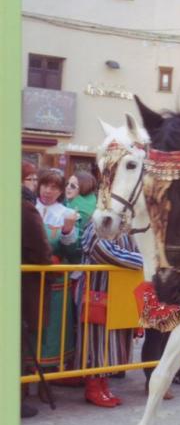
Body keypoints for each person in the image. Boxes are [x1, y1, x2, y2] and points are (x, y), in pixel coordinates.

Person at [74, 219, 143, 407]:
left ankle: (103, 384)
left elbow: (138, 248)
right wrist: (141, 261)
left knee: (111, 341)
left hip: (119, 292)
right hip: (97, 290)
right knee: (96, 341)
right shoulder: (96, 223)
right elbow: (102, 251)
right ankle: (93, 387)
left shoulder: (127, 225)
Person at [35, 169, 81, 370]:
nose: (48, 191)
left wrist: (67, 231)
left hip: (55, 284)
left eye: (54, 187)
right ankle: (23, 382)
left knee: (52, 332)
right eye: (45, 185)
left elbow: (74, 256)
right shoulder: (27, 207)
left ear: (60, 191)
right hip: (29, 282)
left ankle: (48, 379)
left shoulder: (66, 214)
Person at [21, 164, 53, 418]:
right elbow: (42, 251)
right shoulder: (25, 207)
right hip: (24, 287)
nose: (34, 183)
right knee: (19, 340)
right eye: (30, 178)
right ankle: (16, 398)